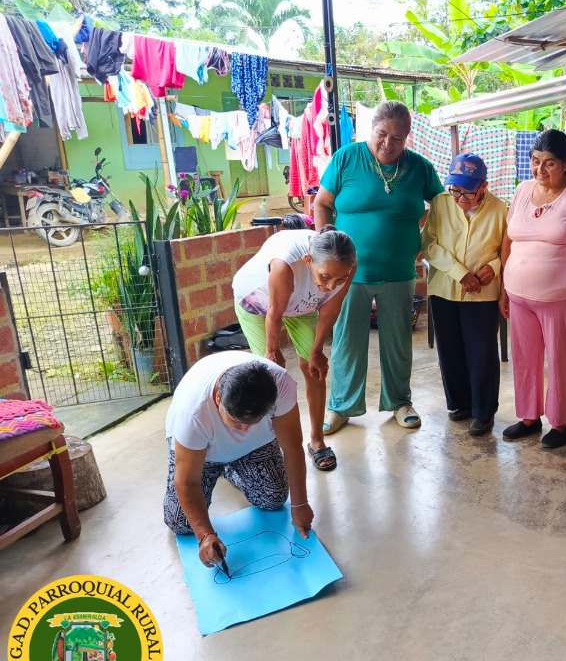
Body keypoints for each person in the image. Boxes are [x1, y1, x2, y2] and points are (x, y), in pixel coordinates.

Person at [313, 101, 444, 433]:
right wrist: (326, 247)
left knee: (398, 341)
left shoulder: (420, 168)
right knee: (347, 341)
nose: (388, 143)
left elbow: (442, 207)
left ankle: (399, 402)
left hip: (399, 272)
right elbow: (322, 203)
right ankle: (341, 406)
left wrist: (422, 240)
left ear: (407, 138)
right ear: (371, 129)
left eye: (397, 138)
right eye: (382, 134)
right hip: (348, 275)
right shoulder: (347, 158)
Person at [499, 129, 566, 449]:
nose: (540, 169)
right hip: (518, 293)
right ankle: (529, 417)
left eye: (549, 163)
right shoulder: (522, 190)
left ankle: (560, 423)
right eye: (535, 161)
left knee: (559, 357)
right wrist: (504, 286)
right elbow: (508, 239)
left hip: (562, 296)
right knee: (524, 356)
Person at [163, 352, 313, 569]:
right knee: (181, 523)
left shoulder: (280, 384)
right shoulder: (192, 413)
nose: (244, 430)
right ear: (218, 399)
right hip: (202, 455)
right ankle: (221, 468)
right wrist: (205, 535)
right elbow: (186, 481)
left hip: (255, 446)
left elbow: (292, 447)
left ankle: (230, 470)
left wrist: (300, 504)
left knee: (273, 498)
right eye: (236, 421)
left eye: (253, 421)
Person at [232, 223, 357, 471]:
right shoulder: (284, 265)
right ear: (308, 261)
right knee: (269, 378)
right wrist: (272, 350)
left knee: (315, 369)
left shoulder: (348, 262)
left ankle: (317, 441)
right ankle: (267, 448)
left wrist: (316, 351)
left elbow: (332, 307)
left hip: (301, 303)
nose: (331, 286)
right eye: (325, 277)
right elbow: (275, 312)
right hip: (257, 303)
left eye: (340, 279)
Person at [422, 153, 507, 436]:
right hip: (444, 289)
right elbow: (430, 245)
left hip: (482, 293)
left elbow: (506, 250)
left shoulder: (500, 210)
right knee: (450, 350)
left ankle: (483, 412)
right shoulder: (440, 203)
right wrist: (461, 273)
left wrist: (493, 267)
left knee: (482, 352)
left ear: (484, 186)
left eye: (468, 193)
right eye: (455, 190)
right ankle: (459, 404)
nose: (460, 198)